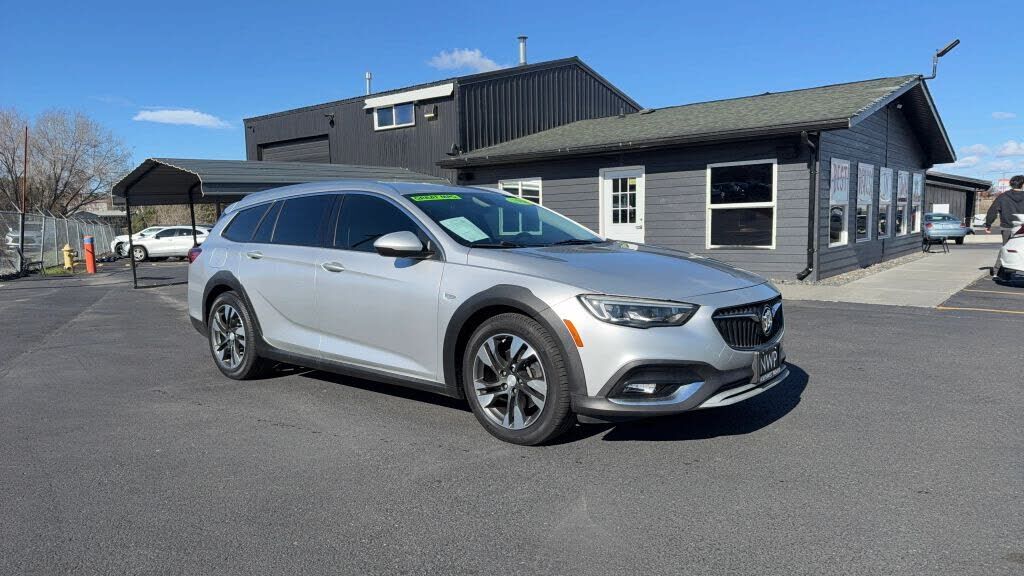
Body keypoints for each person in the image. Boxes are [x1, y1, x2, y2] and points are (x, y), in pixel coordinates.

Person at [985, 175, 1024, 244]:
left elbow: (992, 211)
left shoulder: (1003, 196)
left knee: (1008, 250)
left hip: (1007, 228)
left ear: (1011, 184)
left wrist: (988, 225)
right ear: (1022, 185)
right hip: (1022, 228)